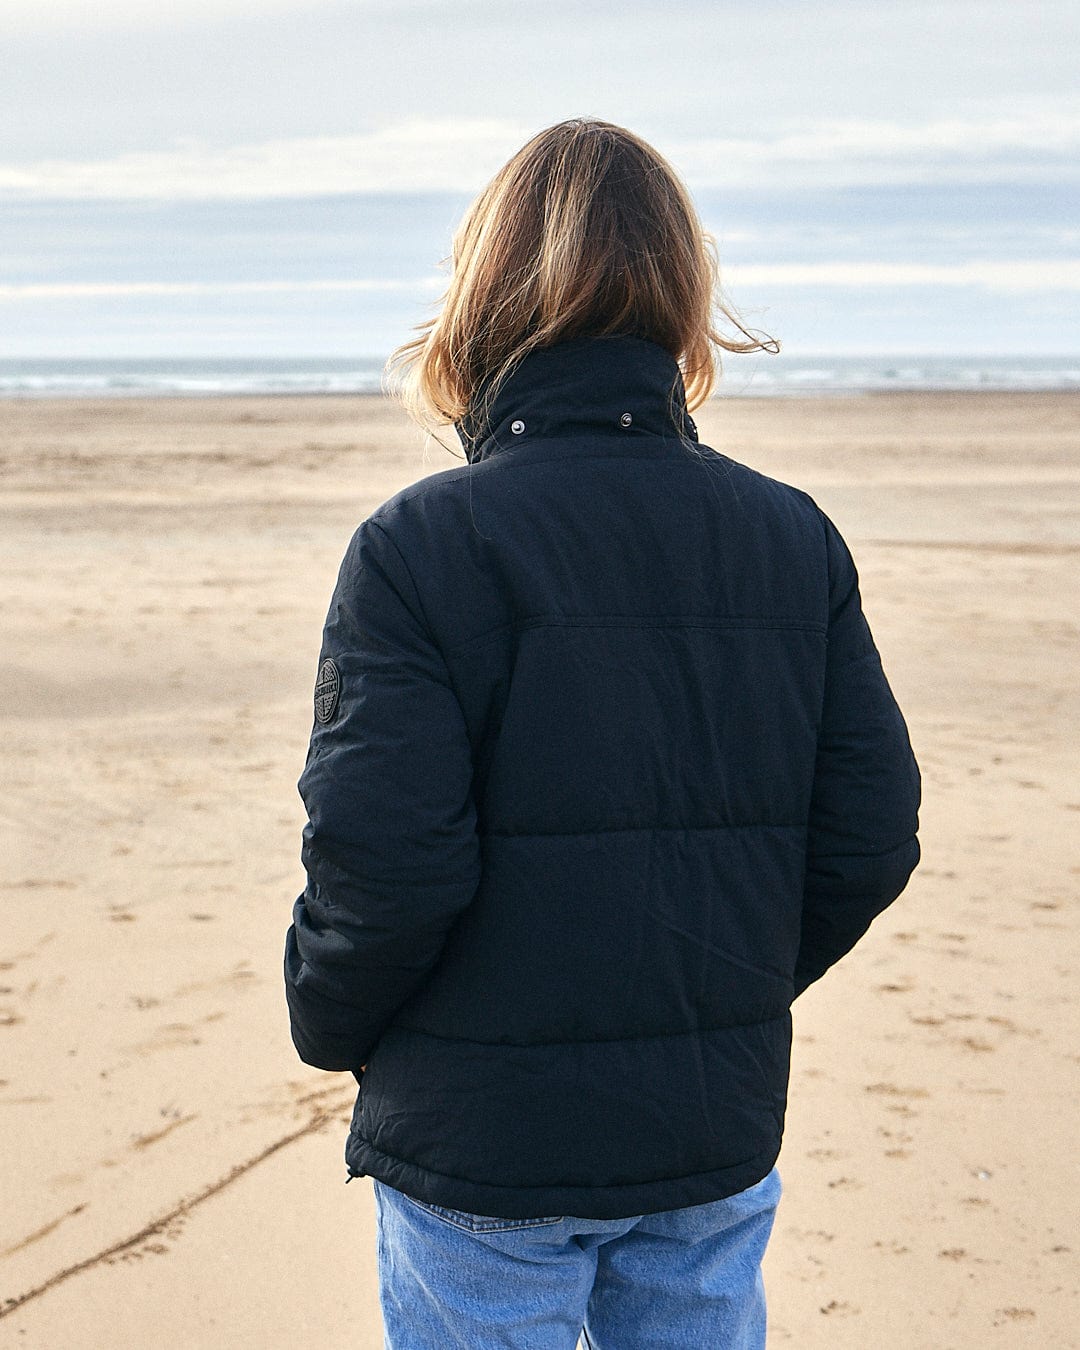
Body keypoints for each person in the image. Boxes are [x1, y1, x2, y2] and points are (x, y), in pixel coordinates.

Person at [284, 118, 921, 1349]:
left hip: (485, 1149)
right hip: (702, 1127)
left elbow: (384, 862)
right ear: (684, 299)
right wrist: (715, 983)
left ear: (482, 297)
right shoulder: (791, 538)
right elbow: (870, 837)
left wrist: (327, 1019)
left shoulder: (420, 548)